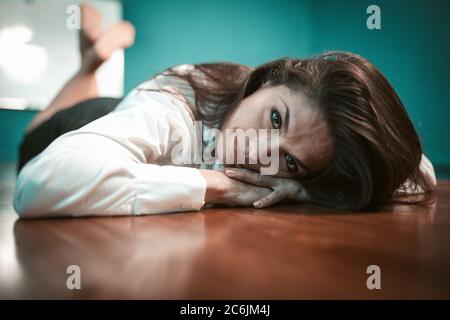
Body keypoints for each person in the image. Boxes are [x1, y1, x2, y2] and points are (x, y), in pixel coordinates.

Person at [13, 5, 436, 218]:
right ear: (270, 81)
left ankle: (92, 60)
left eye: (289, 159)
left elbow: (416, 170)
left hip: (122, 119)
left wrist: (311, 190)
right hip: (75, 126)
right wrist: (214, 185)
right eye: (275, 119)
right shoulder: (174, 109)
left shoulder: (309, 156)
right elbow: (39, 185)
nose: (258, 154)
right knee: (46, 119)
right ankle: (91, 62)